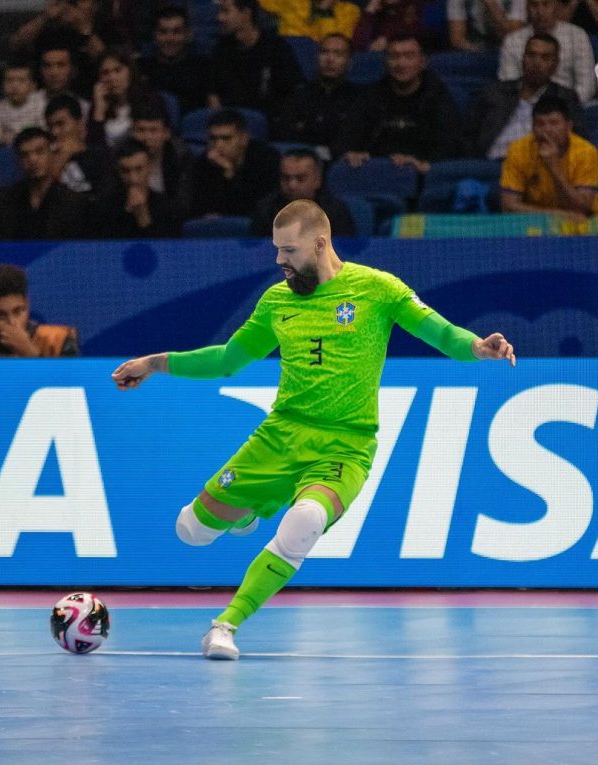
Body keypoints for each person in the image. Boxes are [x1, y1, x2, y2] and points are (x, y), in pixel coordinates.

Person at [111, 199, 515, 660]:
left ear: (320, 243)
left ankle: (225, 625)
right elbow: (226, 360)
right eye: (277, 250)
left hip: (346, 445)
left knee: (304, 522)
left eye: (289, 251)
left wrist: (479, 347)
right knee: (191, 529)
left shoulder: (377, 290)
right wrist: (154, 363)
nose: (279, 261)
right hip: (280, 437)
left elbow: (440, 332)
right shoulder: (277, 301)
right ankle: (248, 513)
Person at [335, 35, 459, 172]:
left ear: (422, 62)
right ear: (385, 62)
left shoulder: (438, 97)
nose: (401, 63)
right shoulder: (370, 96)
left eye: (409, 56)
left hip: (421, 175)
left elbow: (451, 146)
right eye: (394, 56)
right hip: (373, 172)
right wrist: (352, 154)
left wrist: (424, 165)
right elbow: (346, 139)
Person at [463, 33, 585, 159]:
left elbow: (577, 142)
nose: (536, 63)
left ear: (555, 64)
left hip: (537, 168)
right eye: (531, 55)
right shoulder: (494, 92)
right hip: (490, 166)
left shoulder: (564, 97)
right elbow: (468, 137)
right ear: (523, 59)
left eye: (545, 57)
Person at [0, 127, 89, 241]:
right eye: (25, 155)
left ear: (52, 154)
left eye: (39, 152)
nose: (32, 159)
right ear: (18, 161)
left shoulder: (73, 202)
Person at [500, 94, 598, 217]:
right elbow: (508, 205)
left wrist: (553, 167)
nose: (547, 130)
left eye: (554, 123)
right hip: (535, 222)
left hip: (584, 225)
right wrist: (556, 215)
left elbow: (582, 208)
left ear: (568, 127)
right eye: (540, 124)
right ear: (532, 127)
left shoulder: (586, 152)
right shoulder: (518, 150)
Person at [271, 33, 362, 161]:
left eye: (338, 54)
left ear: (350, 62)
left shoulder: (360, 100)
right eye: (324, 52)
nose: (330, 59)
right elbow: (285, 136)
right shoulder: (298, 95)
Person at [0, 264, 79, 357]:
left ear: (27, 303)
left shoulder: (59, 340)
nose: (12, 322)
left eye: (17, 312)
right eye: (1, 316)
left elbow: (71, 385)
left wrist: (30, 352)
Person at [209, 0, 303, 115]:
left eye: (225, 11)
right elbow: (213, 94)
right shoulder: (220, 50)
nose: (220, 18)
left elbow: (293, 92)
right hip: (232, 123)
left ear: (246, 14)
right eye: (219, 12)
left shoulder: (276, 48)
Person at [187, 108, 280, 219]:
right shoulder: (203, 163)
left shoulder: (266, 159)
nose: (218, 145)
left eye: (226, 138)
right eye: (213, 138)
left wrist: (230, 174)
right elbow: (200, 208)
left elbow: (258, 206)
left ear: (244, 139)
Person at [498, 0, 596, 105]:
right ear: (526, 9)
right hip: (524, 105)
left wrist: (560, 107)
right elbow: (508, 85)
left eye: (546, 4)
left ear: (557, 7)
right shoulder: (512, 41)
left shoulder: (577, 36)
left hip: (567, 107)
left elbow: (587, 87)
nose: (540, 11)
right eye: (534, 5)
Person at [251, 148, 355, 236]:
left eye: (300, 178)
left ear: (317, 180)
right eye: (286, 178)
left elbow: (342, 253)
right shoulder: (266, 209)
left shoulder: (335, 212)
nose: (292, 185)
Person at [96, 139, 182, 238]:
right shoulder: (104, 207)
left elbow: (164, 250)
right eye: (125, 171)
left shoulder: (169, 209)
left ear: (150, 167)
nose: (133, 179)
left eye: (139, 169)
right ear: (118, 171)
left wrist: (143, 217)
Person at [138, 5, 212, 116]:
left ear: (189, 34)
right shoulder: (141, 69)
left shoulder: (205, 68)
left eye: (176, 32)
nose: (170, 38)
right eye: (163, 32)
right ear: (154, 35)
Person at [45, 93, 114, 198]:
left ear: (80, 124)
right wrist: (63, 157)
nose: (54, 132)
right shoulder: (46, 162)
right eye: (50, 126)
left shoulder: (100, 157)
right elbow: (40, 200)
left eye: (60, 124)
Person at [88, 48, 155, 149]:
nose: (112, 78)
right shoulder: (97, 107)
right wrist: (99, 111)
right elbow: (93, 148)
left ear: (130, 71)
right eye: (105, 73)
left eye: (118, 70)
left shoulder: (150, 100)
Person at [129, 100, 194, 202]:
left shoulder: (180, 156)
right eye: (141, 130)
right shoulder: (121, 155)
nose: (147, 137)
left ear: (166, 133)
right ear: (132, 132)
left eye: (153, 130)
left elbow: (183, 202)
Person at [0, 61, 47, 147]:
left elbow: (45, 135)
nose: (14, 86)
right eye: (9, 80)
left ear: (33, 85)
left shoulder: (41, 105)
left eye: (21, 80)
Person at [258, 0, 361, 41]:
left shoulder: (350, 11)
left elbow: (333, 44)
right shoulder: (292, 2)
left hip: (320, 64)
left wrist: (324, 9)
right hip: (288, 57)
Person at [35, 44, 91, 119]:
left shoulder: (83, 108)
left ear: (73, 70)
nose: (54, 73)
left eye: (61, 65)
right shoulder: (27, 103)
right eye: (47, 66)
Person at [448, 0, 526, 51]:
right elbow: (457, 40)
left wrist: (491, 4)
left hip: (507, 50)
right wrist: (477, 50)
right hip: (473, 50)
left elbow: (513, 38)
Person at [352, 0, 429, 52]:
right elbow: (358, 47)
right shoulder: (374, 12)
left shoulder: (417, 6)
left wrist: (388, 39)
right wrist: (369, 11)